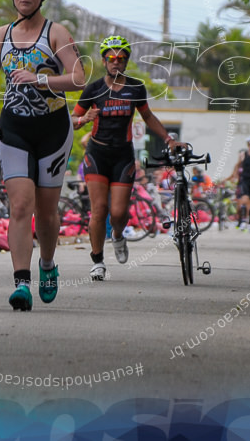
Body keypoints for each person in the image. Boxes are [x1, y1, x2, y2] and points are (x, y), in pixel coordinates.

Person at [0, 0, 85, 310]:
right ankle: (21, 283)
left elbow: (78, 79)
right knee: (19, 206)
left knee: (46, 213)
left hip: (52, 130)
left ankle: (47, 265)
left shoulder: (56, 33)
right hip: (14, 129)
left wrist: (42, 78)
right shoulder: (0, 36)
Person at [72, 35, 182, 281]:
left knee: (119, 212)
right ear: (103, 61)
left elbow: (148, 117)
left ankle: (119, 236)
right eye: (111, 58)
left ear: (126, 62)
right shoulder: (93, 89)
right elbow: (72, 120)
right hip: (97, 154)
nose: (116, 62)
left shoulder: (135, 88)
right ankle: (98, 260)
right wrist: (82, 119)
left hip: (122, 155)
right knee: (99, 209)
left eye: (121, 58)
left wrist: (169, 140)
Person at [224, 137, 250, 232]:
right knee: (244, 200)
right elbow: (237, 165)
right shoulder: (243, 155)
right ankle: (243, 221)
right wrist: (234, 176)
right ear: (248, 145)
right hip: (245, 181)